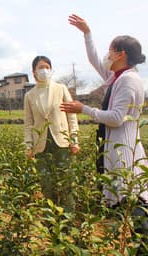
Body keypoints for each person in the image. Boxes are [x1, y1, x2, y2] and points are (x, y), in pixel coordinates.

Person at [61, 14, 148, 207]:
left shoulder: (127, 80)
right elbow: (94, 60)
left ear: (120, 54)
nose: (107, 55)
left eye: (110, 50)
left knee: (130, 201)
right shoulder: (117, 77)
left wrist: (83, 109)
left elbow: (117, 117)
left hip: (123, 149)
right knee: (121, 200)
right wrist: (87, 33)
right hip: (115, 147)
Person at [24, 56, 80, 211]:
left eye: (47, 67)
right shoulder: (29, 96)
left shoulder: (60, 89)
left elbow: (71, 115)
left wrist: (74, 139)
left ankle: (68, 220)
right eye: (41, 67)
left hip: (61, 142)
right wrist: (29, 145)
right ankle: (52, 220)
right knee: (46, 184)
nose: (44, 70)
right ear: (34, 72)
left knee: (65, 183)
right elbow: (28, 124)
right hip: (41, 146)